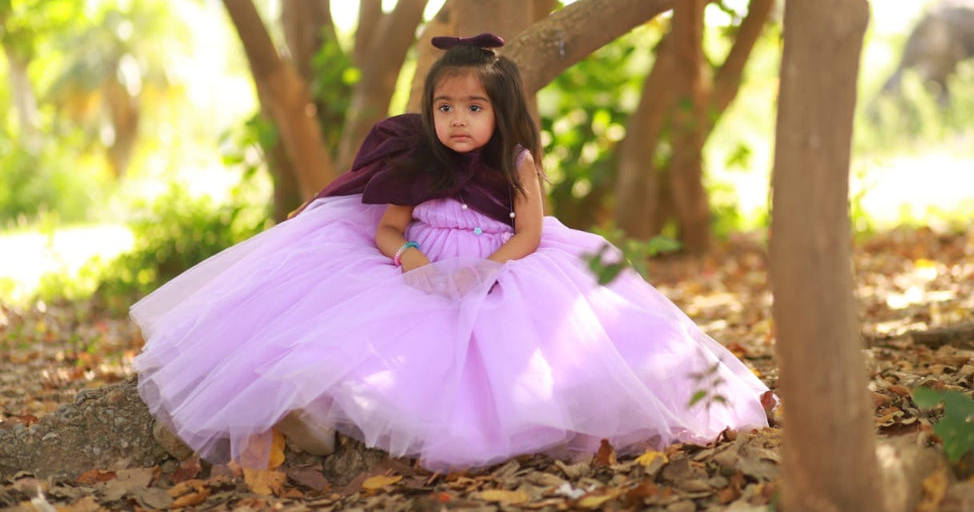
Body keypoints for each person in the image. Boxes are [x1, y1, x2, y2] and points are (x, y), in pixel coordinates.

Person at [130, 33, 774, 473]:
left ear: (501, 113)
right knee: (360, 329)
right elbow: (387, 227)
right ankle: (309, 409)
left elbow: (530, 232)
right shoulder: (419, 161)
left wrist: (494, 269)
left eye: (473, 107)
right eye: (445, 107)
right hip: (421, 268)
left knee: (507, 344)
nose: (458, 120)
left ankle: (519, 418)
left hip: (499, 265)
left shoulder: (517, 163)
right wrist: (408, 256)